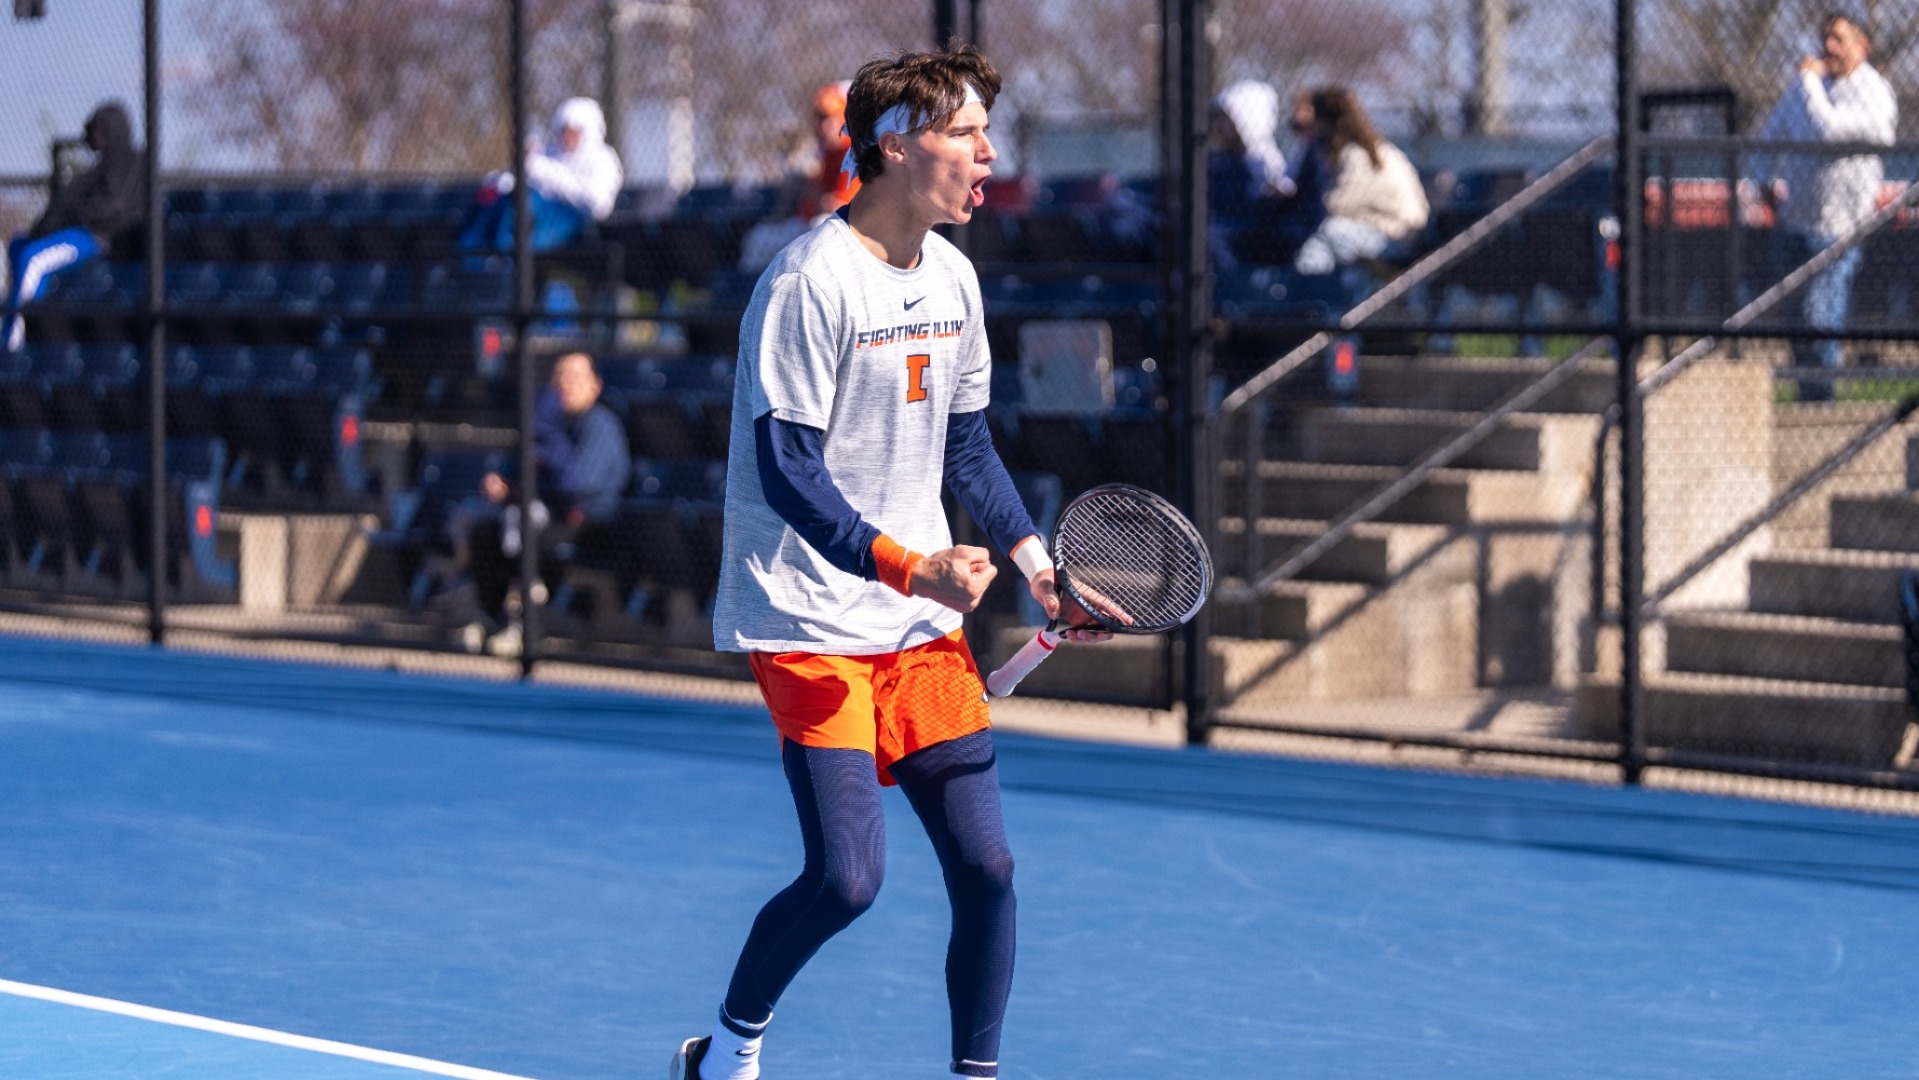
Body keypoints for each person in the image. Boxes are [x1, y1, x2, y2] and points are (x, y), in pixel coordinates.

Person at [672, 42, 1108, 1080]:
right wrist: (910, 567)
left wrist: (1034, 562)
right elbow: (784, 468)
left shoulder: (955, 277)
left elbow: (965, 446)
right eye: (965, 133)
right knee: (847, 879)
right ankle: (725, 1048)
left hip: (915, 630)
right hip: (810, 618)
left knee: (988, 867)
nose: (987, 154)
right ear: (897, 148)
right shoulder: (805, 284)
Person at [1754, 13, 1897, 401]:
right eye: (1825, 38)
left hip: (1841, 229)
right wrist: (1764, 183)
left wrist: (1808, 81)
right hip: (1795, 222)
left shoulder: (1872, 91)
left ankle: (1821, 401)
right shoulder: (1807, 88)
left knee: (1820, 318)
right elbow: (1768, 138)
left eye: (1838, 38)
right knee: (1795, 321)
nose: (1828, 47)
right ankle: (1808, 398)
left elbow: (1827, 130)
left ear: (1861, 45)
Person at [462, 351, 629, 655]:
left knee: (532, 536)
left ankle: (528, 629)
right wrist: (505, 485)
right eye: (560, 376)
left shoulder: (600, 424)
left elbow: (582, 486)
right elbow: (523, 468)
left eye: (576, 377)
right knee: (486, 531)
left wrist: (525, 489)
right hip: (547, 514)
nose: (566, 383)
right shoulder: (548, 422)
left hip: (589, 523)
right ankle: (493, 617)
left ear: (596, 385)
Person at [3, 101, 143, 354]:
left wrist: (73, 215)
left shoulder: (127, 161)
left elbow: (111, 208)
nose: (95, 136)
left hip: (94, 238)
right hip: (72, 232)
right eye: (93, 130)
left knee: (33, 259)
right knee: (18, 244)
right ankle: (25, 321)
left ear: (113, 130)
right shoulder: (98, 167)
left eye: (100, 130)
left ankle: (12, 347)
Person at [1289, 86, 1429, 279]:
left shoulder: (1358, 154)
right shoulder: (1362, 149)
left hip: (1399, 237)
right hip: (1379, 230)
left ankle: (1304, 294)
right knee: (1332, 238)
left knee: (1328, 233)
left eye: (1316, 127)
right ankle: (1324, 299)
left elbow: (1337, 205)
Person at [460, 97, 624, 252]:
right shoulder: (551, 152)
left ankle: (508, 258)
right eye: (564, 131)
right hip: (532, 213)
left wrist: (549, 174)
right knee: (502, 202)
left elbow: (599, 205)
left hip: (573, 221)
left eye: (573, 132)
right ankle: (472, 258)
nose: (567, 138)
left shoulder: (602, 158)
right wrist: (501, 181)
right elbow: (514, 179)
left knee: (526, 202)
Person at [738, 81, 865, 276]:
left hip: (837, 228)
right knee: (758, 238)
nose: (822, 126)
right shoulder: (826, 152)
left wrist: (810, 192)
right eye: (818, 119)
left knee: (820, 226)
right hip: (803, 223)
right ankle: (746, 295)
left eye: (828, 118)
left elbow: (839, 208)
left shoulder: (853, 150)